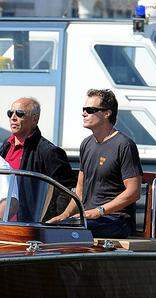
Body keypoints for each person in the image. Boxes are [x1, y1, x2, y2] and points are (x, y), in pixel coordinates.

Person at [50, 89, 142, 238]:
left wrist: (99, 211)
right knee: (48, 228)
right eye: (84, 109)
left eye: (90, 110)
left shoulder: (124, 145)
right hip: (88, 218)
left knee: (68, 232)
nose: (84, 113)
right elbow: (80, 190)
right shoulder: (86, 144)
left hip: (116, 219)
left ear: (107, 113)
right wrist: (64, 215)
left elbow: (134, 192)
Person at [0, 97, 75, 221]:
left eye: (20, 114)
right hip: (3, 222)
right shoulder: (6, 145)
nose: (13, 118)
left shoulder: (49, 151)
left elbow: (65, 193)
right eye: (10, 113)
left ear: (35, 119)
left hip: (30, 227)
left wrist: (49, 223)